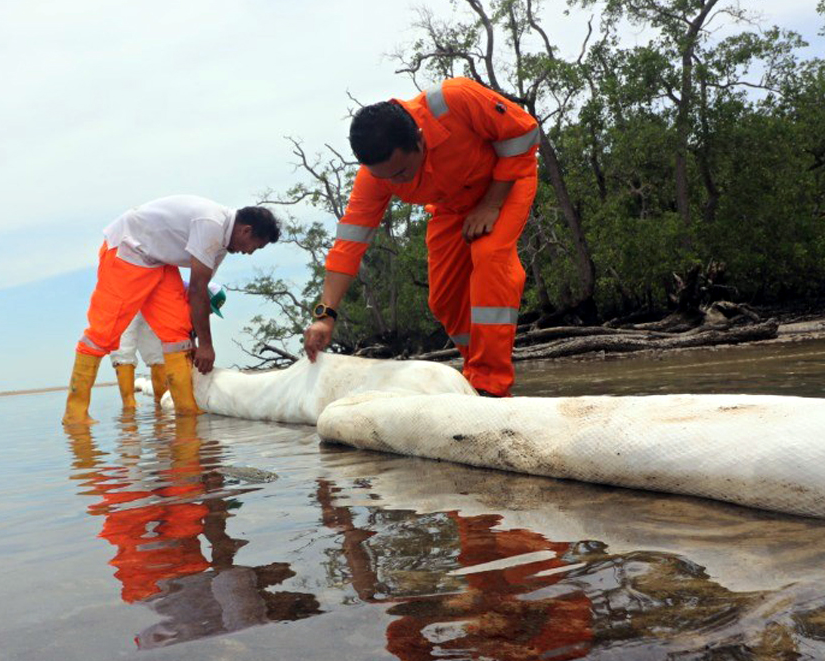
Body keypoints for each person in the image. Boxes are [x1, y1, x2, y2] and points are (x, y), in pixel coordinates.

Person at [302, 78, 540, 398]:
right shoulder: (376, 177)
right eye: (384, 176)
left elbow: (524, 132)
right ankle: (475, 372)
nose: (394, 182)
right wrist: (325, 315)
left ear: (419, 139)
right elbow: (349, 244)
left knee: (490, 256)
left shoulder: (454, 100)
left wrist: (491, 203)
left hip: (505, 183)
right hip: (452, 207)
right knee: (443, 297)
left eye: (401, 173)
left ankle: (492, 384)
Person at [63, 196, 279, 425]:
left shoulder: (221, 245)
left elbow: (199, 295)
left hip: (158, 261)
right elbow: (197, 289)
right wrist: (206, 346)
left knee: (177, 332)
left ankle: (187, 411)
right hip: (129, 250)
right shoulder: (211, 224)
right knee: (103, 332)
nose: (250, 253)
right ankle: (75, 414)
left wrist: (195, 341)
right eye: (256, 246)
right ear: (246, 231)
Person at [110, 283, 227, 410]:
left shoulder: (189, 301)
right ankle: (129, 406)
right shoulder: (177, 292)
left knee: (158, 355)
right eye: (207, 309)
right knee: (123, 351)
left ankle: (160, 404)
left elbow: (186, 332)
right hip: (128, 298)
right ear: (201, 298)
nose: (207, 314)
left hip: (153, 306)